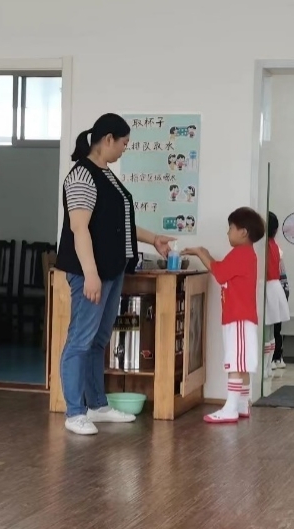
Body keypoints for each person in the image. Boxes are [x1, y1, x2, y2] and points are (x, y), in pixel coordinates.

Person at [56, 113, 173, 436]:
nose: (124, 149)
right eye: (123, 143)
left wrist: (153, 239)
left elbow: (120, 224)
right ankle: (74, 412)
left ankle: (97, 405)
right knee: (80, 340)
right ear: (108, 139)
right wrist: (90, 274)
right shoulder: (82, 175)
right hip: (91, 273)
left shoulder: (106, 174)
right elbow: (79, 229)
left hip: (112, 269)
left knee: (98, 340)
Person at [182, 208, 266, 423]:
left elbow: (219, 272)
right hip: (239, 317)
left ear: (243, 232)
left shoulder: (241, 253)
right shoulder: (246, 254)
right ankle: (242, 404)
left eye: (230, 228)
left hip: (238, 318)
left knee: (235, 362)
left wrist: (202, 253)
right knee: (242, 362)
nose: (228, 233)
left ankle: (230, 408)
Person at [263, 212, 291, 378]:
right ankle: (268, 366)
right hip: (275, 288)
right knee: (271, 331)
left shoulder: (265, 245)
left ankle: (266, 368)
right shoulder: (274, 245)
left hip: (267, 288)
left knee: (267, 332)